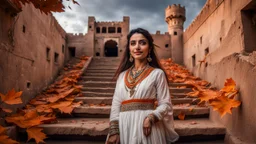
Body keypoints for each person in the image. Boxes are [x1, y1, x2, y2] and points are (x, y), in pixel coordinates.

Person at [106, 28, 179, 144]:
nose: (137, 47)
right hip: (125, 126)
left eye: (143, 43)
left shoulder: (157, 74)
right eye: (133, 43)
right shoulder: (122, 76)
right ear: (129, 49)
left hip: (148, 126)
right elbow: (116, 104)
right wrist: (114, 131)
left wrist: (151, 117)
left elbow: (166, 104)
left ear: (149, 48)